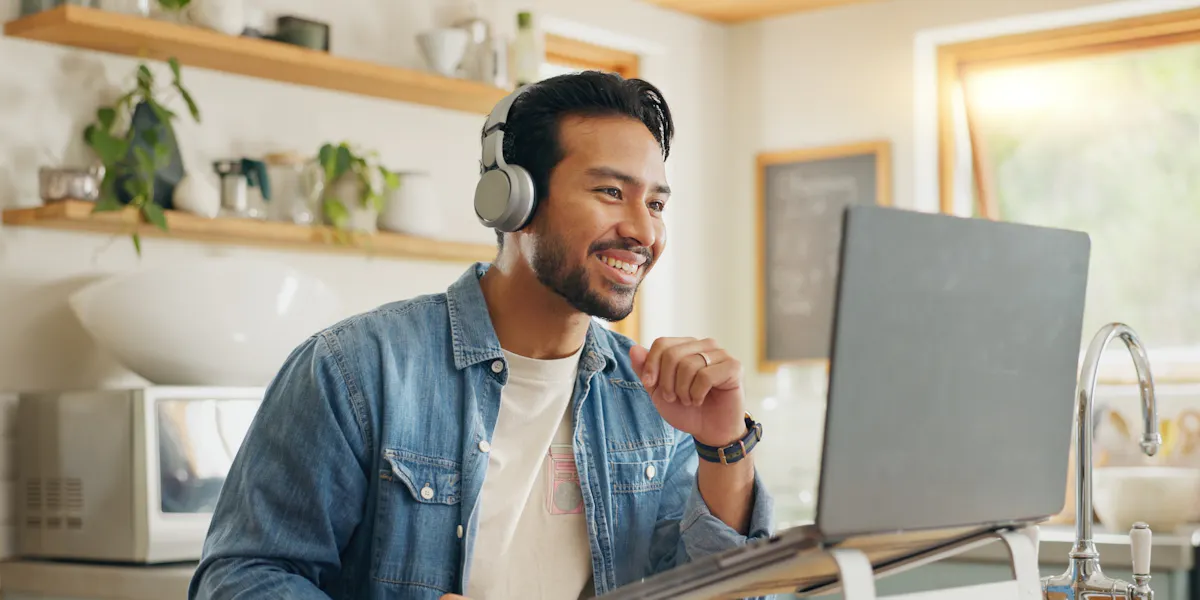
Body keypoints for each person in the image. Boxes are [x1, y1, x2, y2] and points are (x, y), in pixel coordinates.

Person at [188, 70, 774, 600]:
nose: (644, 230)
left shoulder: (653, 399)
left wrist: (724, 447)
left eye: (657, 203)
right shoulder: (355, 370)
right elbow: (240, 579)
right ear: (513, 200)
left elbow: (717, 593)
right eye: (611, 193)